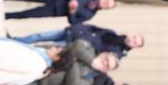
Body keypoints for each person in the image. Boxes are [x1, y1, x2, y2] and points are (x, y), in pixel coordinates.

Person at [13, 40, 125, 85]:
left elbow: (73, 84)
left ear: (105, 71)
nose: (104, 63)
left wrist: (73, 60)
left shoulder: (90, 78)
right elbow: (75, 46)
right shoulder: (89, 47)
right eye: (106, 59)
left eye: (107, 66)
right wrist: (90, 60)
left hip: (45, 77)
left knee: (13, 80)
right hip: (42, 56)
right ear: (104, 54)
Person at [14, 24, 144, 59]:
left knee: (43, 46)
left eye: (134, 42)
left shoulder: (117, 53)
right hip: (71, 32)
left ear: (135, 47)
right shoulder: (113, 33)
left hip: (72, 45)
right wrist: (77, 27)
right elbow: (92, 27)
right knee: (40, 35)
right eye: (134, 38)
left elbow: (95, 55)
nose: (131, 40)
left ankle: (20, 50)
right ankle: (16, 41)